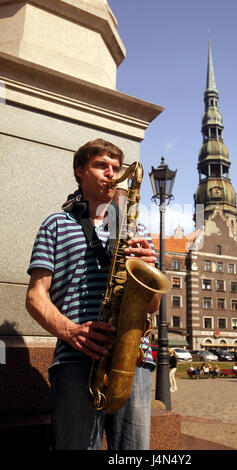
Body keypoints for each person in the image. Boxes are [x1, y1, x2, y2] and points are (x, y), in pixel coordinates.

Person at [25, 138, 161, 450]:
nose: (111, 173)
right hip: (76, 358)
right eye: (102, 165)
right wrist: (69, 330)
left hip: (134, 358)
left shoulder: (134, 232)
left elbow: (152, 304)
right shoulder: (56, 224)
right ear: (80, 171)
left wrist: (149, 267)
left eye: (116, 167)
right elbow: (35, 296)